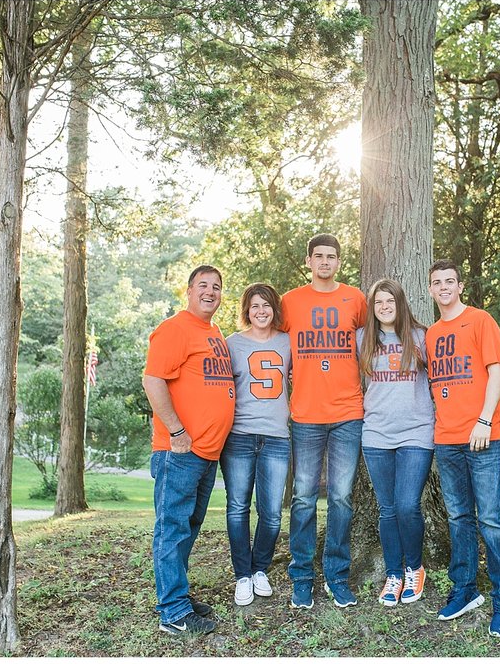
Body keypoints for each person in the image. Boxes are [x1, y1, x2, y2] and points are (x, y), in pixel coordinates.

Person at [425, 259, 500, 638]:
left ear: (460, 286)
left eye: (450, 281)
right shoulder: (431, 334)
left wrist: (483, 420)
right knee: (459, 518)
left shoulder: (481, 321)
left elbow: (497, 371)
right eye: (437, 282)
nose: (444, 287)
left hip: (482, 436)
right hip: (446, 440)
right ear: (430, 290)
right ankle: (465, 590)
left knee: (491, 519)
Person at [142, 265, 235, 636]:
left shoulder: (214, 333)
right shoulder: (175, 329)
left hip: (207, 453)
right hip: (179, 450)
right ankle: (173, 611)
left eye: (216, 286)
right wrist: (177, 430)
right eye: (203, 286)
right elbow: (153, 380)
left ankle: (174, 593)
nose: (210, 291)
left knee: (189, 527)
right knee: (172, 528)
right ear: (189, 290)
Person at [281, 233, 367, 609]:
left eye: (331, 256)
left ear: (338, 262)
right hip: (306, 415)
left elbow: (371, 344)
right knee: (302, 498)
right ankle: (301, 576)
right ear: (309, 260)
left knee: (341, 497)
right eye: (319, 256)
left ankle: (336, 575)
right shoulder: (290, 302)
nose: (325, 262)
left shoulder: (356, 299)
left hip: (349, 413)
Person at [356, 278, 435, 607]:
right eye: (378, 303)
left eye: (390, 301)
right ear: (372, 308)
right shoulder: (362, 339)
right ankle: (394, 574)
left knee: (407, 505)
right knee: (387, 510)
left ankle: (414, 568)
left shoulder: (421, 336)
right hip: (376, 433)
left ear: (400, 303)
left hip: (417, 431)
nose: (384, 307)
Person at [220, 283, 292, 606]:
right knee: (237, 507)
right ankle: (242, 574)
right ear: (246, 311)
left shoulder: (288, 342)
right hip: (239, 436)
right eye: (254, 306)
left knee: (272, 512)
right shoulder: (231, 344)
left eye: (266, 305)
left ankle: (260, 567)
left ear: (274, 308)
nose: (261, 311)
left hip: (277, 436)